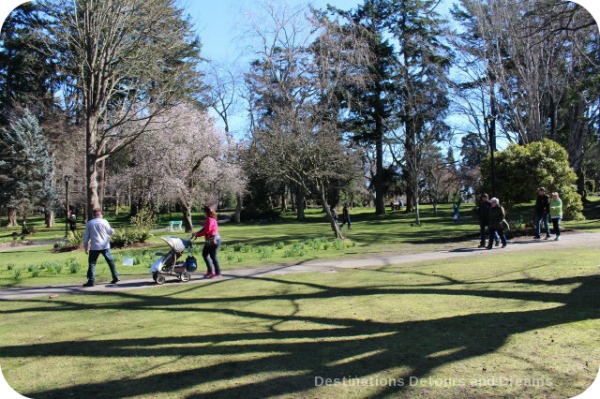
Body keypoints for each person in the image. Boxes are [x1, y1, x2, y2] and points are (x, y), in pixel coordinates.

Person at [82, 208, 119, 287]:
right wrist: (113, 230)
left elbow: (86, 237)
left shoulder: (89, 223)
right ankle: (115, 276)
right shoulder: (104, 222)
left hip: (94, 246)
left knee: (92, 263)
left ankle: (91, 280)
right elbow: (110, 232)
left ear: (94, 215)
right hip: (105, 246)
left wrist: (86, 248)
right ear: (101, 214)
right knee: (110, 262)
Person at [193, 205, 222, 278]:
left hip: (214, 240)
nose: (203, 213)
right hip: (209, 240)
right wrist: (196, 233)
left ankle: (218, 273)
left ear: (206, 212)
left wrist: (198, 235)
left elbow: (207, 231)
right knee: (205, 254)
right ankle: (210, 271)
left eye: (203, 212)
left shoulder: (210, 219)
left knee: (213, 256)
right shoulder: (209, 219)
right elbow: (204, 229)